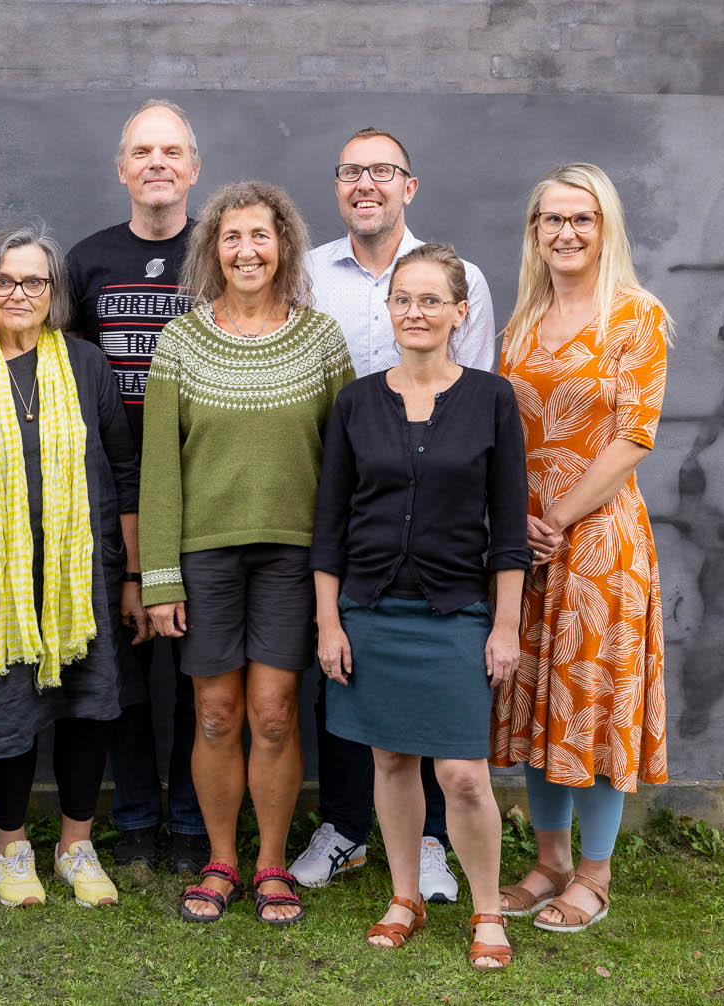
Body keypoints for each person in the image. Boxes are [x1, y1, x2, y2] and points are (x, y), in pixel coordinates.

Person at [0, 225, 143, 909]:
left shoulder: (85, 363)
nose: (19, 293)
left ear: (53, 291)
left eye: (34, 280)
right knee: (7, 705)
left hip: (82, 574)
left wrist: (132, 578)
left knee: (86, 706)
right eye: (4, 280)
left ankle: (76, 845)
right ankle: (12, 846)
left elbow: (124, 473)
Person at [141, 181, 355, 926]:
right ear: (213, 249)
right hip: (203, 558)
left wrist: (337, 574)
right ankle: (221, 859)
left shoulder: (321, 339)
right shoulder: (181, 342)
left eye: (260, 235)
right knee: (215, 712)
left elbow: (345, 466)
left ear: (284, 244)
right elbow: (159, 468)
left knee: (273, 712)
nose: (246, 251)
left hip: (293, 558)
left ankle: (271, 863)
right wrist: (160, 577)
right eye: (231, 237)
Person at [295, 126, 498, 902]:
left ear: (409, 186)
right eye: (351, 171)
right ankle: (345, 827)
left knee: (437, 700)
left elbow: (475, 393)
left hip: (439, 506)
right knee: (346, 670)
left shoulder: (457, 275)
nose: (366, 184)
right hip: (342, 484)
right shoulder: (309, 275)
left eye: (382, 171)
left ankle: (434, 842)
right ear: (337, 186)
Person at [312, 243, 528, 969]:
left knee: (463, 774)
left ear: (460, 313)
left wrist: (505, 626)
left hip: (455, 614)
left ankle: (487, 907)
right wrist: (329, 621)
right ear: (389, 308)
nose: (415, 312)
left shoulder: (491, 399)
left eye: (431, 300)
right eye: (403, 299)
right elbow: (329, 524)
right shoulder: (355, 402)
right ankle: (404, 896)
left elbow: (509, 526)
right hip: (370, 611)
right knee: (392, 759)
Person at [491, 162, 670, 933]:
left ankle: (594, 874)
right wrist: (518, 524)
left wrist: (557, 515)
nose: (565, 232)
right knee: (541, 703)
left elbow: (634, 436)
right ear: (535, 232)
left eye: (581, 219)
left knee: (590, 707)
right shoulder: (522, 321)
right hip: (529, 545)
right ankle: (550, 863)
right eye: (552, 220)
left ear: (605, 229)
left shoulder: (636, 314)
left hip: (599, 544)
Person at [65, 98, 207, 874]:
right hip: (108, 493)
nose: (158, 163)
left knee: (195, 666)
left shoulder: (221, 252)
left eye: (172, 151)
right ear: (121, 169)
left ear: (194, 168)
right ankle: (136, 820)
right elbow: (65, 375)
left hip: (200, 487)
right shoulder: (87, 261)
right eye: (143, 152)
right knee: (119, 669)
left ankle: (190, 822)